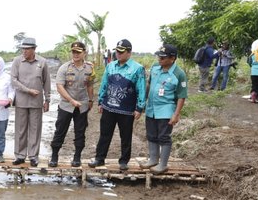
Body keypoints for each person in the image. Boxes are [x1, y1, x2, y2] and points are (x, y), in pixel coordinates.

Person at [88, 39, 146, 170]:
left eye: (121, 52)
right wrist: (100, 101)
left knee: (125, 136)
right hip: (108, 106)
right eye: (117, 51)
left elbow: (141, 89)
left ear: (129, 52)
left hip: (126, 109)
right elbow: (104, 84)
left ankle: (124, 161)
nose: (118, 54)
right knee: (104, 134)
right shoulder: (110, 66)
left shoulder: (137, 69)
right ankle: (99, 158)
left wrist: (140, 107)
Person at [139, 44, 187, 174]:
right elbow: (149, 84)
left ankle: (163, 164)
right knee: (151, 135)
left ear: (172, 58)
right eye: (159, 56)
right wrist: (143, 102)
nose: (159, 59)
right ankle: (153, 159)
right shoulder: (155, 68)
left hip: (166, 110)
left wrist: (176, 114)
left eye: (163, 57)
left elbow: (181, 96)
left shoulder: (179, 74)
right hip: (151, 109)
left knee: (164, 137)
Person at [49, 41, 95, 168]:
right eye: (74, 52)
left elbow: (90, 85)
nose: (75, 54)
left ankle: (77, 157)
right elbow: (59, 87)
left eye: (78, 52)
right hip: (66, 105)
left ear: (84, 53)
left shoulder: (89, 68)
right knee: (60, 131)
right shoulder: (64, 68)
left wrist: (91, 100)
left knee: (80, 132)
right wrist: (71, 100)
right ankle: (54, 156)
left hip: (82, 105)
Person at [10, 37, 51, 167]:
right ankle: (20, 155)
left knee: (35, 129)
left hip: (36, 102)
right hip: (21, 101)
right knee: (20, 129)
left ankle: (33, 156)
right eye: (23, 49)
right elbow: (14, 80)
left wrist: (47, 99)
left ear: (34, 49)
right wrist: (28, 90)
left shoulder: (42, 62)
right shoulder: (17, 61)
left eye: (27, 49)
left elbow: (47, 82)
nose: (24, 51)